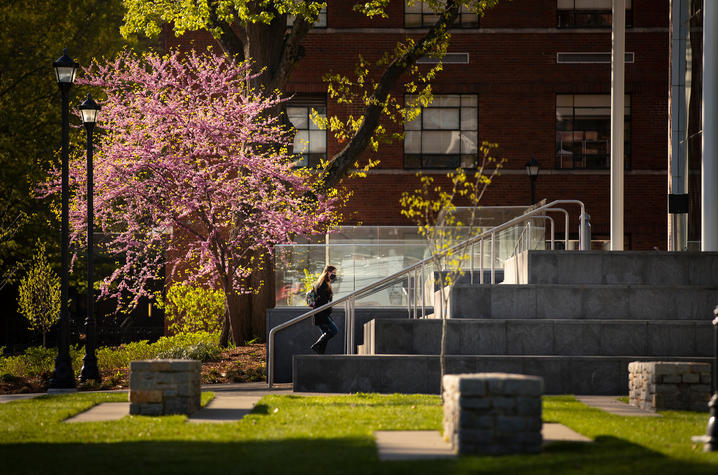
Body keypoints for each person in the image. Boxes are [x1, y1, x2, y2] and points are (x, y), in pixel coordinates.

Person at [310, 265, 338, 354]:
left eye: (335, 273)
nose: (334, 275)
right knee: (334, 330)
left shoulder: (325, 283)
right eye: (332, 273)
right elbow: (322, 300)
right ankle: (316, 345)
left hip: (322, 313)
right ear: (327, 272)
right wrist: (328, 302)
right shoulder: (323, 284)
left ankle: (320, 353)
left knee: (325, 335)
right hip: (321, 313)